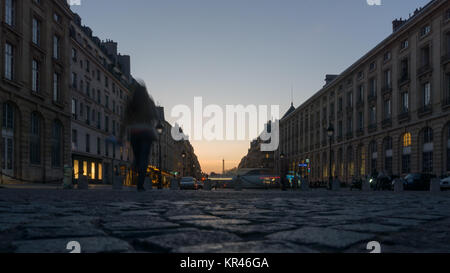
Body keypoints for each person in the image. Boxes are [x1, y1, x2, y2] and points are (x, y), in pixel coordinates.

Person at [119, 82, 159, 192]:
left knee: (138, 156)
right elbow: (155, 116)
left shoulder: (131, 102)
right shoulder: (149, 101)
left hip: (134, 132)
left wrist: (120, 135)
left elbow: (125, 120)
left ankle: (135, 164)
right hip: (146, 132)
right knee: (144, 158)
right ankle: (140, 185)